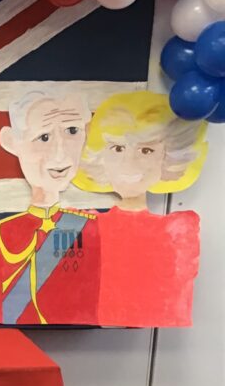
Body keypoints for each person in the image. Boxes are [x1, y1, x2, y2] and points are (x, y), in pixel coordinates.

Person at [73, 91, 204, 327]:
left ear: (168, 157)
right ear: (99, 155)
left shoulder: (178, 232)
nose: (129, 163)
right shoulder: (84, 226)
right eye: (117, 149)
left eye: (146, 151)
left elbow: (168, 303)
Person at [0, 89, 101, 325]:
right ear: (12, 143)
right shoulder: (1, 233)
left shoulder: (91, 228)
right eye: (44, 137)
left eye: (72, 131)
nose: (60, 153)